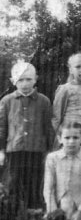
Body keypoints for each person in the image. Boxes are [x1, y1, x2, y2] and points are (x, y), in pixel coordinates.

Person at [0, 61, 53, 210]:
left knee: (34, 183)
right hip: (14, 150)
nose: (24, 84)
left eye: (28, 79)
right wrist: (1, 150)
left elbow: (48, 127)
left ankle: (33, 214)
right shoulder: (7, 101)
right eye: (20, 80)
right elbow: (2, 127)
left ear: (35, 79)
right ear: (13, 81)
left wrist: (49, 150)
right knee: (13, 183)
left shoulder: (44, 101)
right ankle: (12, 214)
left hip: (36, 150)